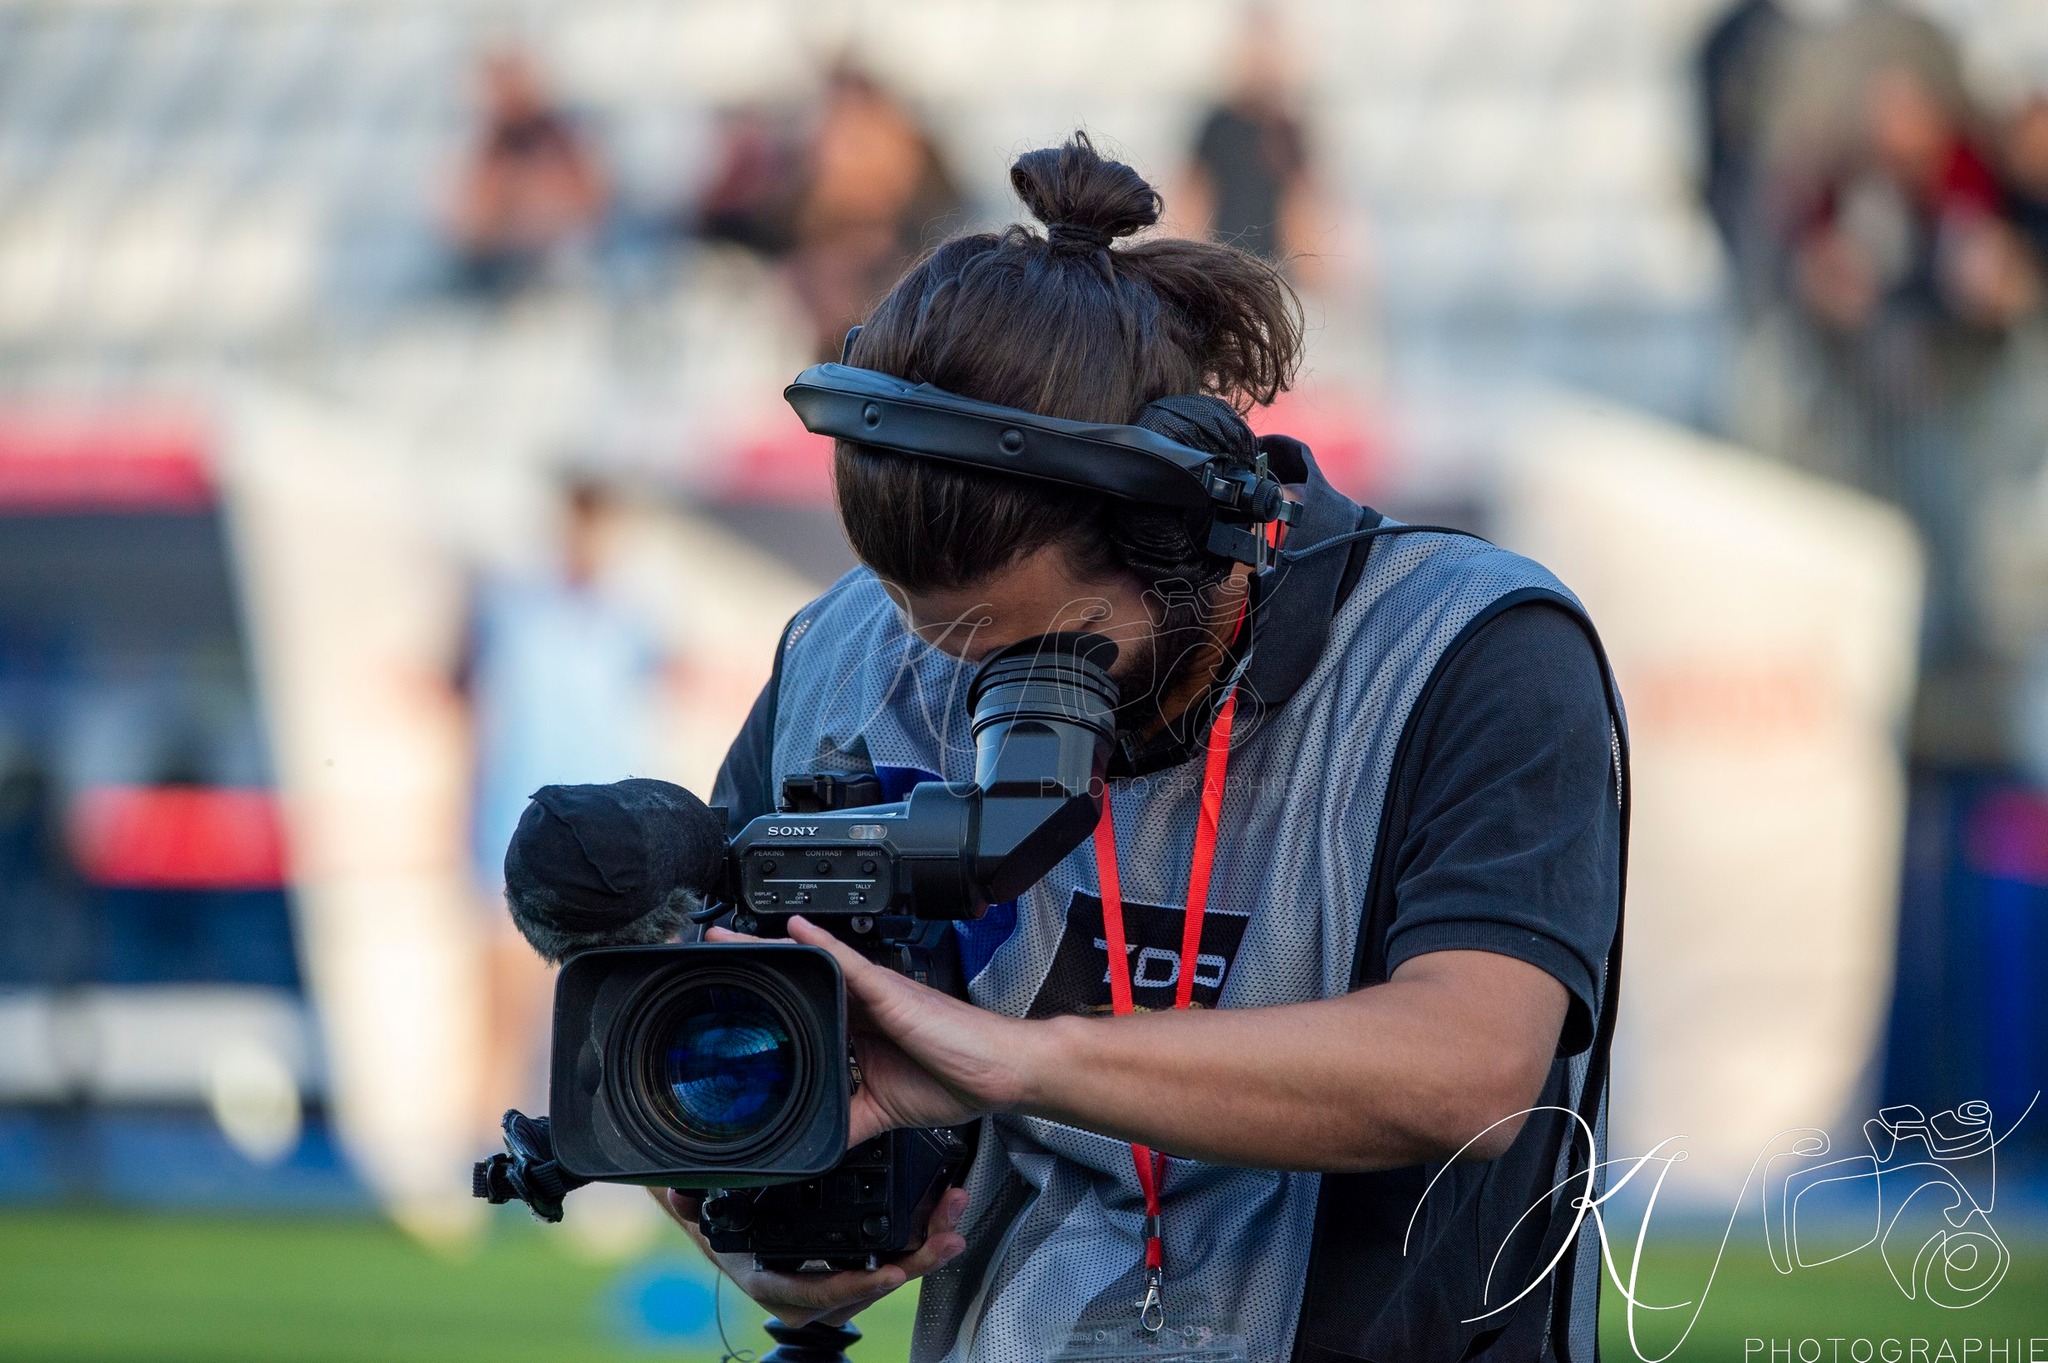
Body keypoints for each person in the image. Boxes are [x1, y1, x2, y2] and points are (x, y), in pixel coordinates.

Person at [663, 136, 1625, 1362]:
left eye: (1035, 653)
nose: (956, 682)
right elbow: (698, 1012)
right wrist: (755, 1213)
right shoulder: (854, 645)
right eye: (926, 626)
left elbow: (1471, 1069)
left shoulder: (1465, 643)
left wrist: (1018, 1062)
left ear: (1191, 547)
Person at [458, 477, 666, 1136]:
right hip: (512, 836)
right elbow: (457, 680)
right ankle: (473, 1165)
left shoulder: (631, 617)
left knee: (603, 1018)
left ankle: (605, 1170)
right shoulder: (511, 606)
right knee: (503, 1014)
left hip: (603, 850)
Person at [446, 47, 609, 298]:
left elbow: (592, 197)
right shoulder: (490, 145)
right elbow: (468, 219)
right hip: (499, 263)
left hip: (555, 255)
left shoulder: (558, 138)